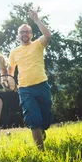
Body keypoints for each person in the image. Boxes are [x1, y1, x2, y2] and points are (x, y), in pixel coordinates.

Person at [8, 8, 52, 150]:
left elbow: (47, 34)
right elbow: (11, 70)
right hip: (25, 89)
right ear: (18, 36)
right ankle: (41, 151)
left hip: (42, 86)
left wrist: (36, 20)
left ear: (31, 34)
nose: (24, 34)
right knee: (33, 120)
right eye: (21, 32)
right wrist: (11, 83)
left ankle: (42, 129)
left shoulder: (38, 44)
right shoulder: (14, 52)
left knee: (46, 118)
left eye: (27, 31)